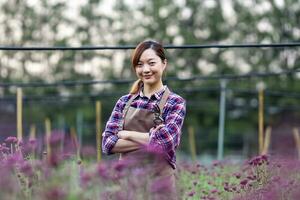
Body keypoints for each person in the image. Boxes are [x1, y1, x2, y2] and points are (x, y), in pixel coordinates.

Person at [102, 40, 186, 198]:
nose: (146, 69)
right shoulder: (124, 102)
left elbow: (166, 142)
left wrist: (126, 134)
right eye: (139, 64)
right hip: (128, 183)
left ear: (164, 63)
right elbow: (107, 144)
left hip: (161, 185)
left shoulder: (175, 102)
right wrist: (151, 138)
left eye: (151, 63)